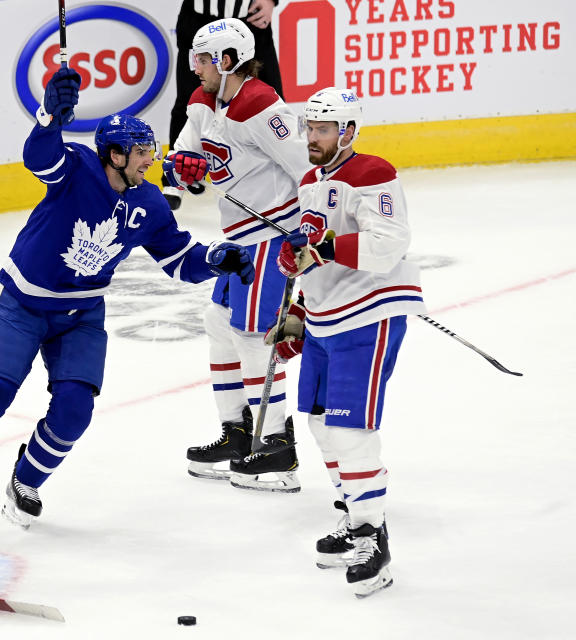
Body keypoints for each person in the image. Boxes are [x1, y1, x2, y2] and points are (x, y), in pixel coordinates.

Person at [0, 66, 257, 529]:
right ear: (116, 154)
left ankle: (25, 482)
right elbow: (38, 156)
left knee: (74, 410)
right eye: (142, 151)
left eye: (150, 150)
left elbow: (181, 260)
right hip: (22, 303)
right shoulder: (78, 169)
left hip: (81, 314)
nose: (150, 160)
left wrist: (217, 258)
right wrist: (50, 117)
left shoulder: (151, 204)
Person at [268, 87, 427, 597]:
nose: (311, 137)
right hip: (323, 319)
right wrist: (296, 309)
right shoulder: (311, 180)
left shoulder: (372, 173)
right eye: (309, 128)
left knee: (351, 430)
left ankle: (372, 535)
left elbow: (388, 243)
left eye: (322, 129)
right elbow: (307, 251)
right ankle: (353, 512)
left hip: (368, 316)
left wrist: (322, 249)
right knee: (319, 424)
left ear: (349, 132)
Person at [165, 17, 311, 492]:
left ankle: (276, 448)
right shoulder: (203, 103)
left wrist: (310, 230)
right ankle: (236, 431)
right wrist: (181, 170)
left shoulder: (262, 106)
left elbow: (308, 171)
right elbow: (185, 164)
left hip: (275, 231)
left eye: (203, 60)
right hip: (238, 235)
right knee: (218, 323)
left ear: (228, 61)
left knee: (253, 334)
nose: (196, 68)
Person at [165, 0, 284, 210]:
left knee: (270, 97)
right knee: (189, 98)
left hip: (248, 21)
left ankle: (283, 172)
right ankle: (176, 177)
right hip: (199, 17)